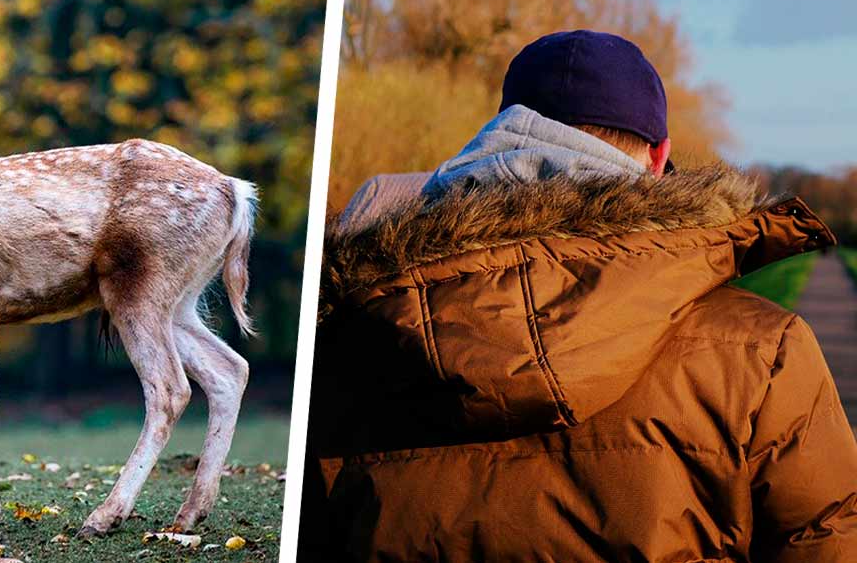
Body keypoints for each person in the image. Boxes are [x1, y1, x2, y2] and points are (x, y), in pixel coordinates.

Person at [300, 30, 857, 562]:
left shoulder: (353, 327)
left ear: (500, 137)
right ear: (660, 157)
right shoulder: (762, 351)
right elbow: (826, 538)